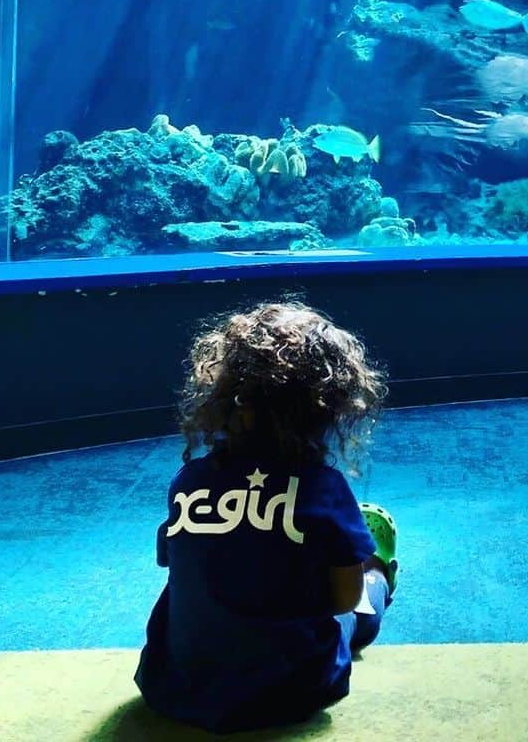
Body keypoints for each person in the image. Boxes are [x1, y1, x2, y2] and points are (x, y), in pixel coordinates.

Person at [135, 301, 398, 733]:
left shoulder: (188, 481)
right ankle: (379, 574)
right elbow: (341, 601)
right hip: (292, 691)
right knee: (361, 609)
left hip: (174, 687)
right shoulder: (323, 488)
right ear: (329, 407)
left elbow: (174, 563)